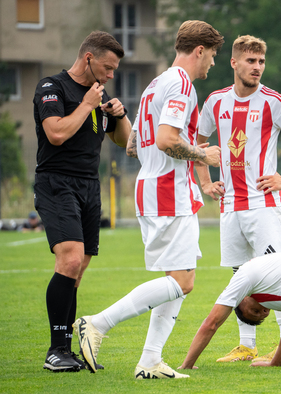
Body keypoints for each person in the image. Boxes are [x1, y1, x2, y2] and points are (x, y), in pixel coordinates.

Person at [72, 20, 224, 379]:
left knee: (176, 279)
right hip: (169, 191)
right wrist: (202, 156)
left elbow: (133, 145)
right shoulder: (182, 85)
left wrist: (187, 147)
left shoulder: (157, 82)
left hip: (155, 187)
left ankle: (150, 361)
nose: (213, 64)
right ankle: (97, 323)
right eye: (213, 55)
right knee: (184, 281)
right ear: (199, 50)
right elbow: (166, 140)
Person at [196, 35, 281, 362]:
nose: (257, 67)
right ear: (234, 63)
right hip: (230, 206)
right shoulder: (216, 102)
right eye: (251, 61)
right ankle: (246, 345)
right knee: (240, 278)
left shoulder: (274, 102)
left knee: (277, 279)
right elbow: (198, 141)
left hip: (264, 207)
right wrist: (206, 181)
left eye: (261, 62)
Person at [33, 31, 131, 372]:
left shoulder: (100, 95)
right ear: (88, 58)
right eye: (107, 67)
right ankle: (55, 350)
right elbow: (56, 133)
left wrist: (119, 115)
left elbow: (124, 141)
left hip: (90, 186)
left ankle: (65, 349)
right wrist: (88, 104)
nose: (110, 76)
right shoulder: (52, 87)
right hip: (56, 182)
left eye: (114, 70)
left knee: (78, 268)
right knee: (71, 260)